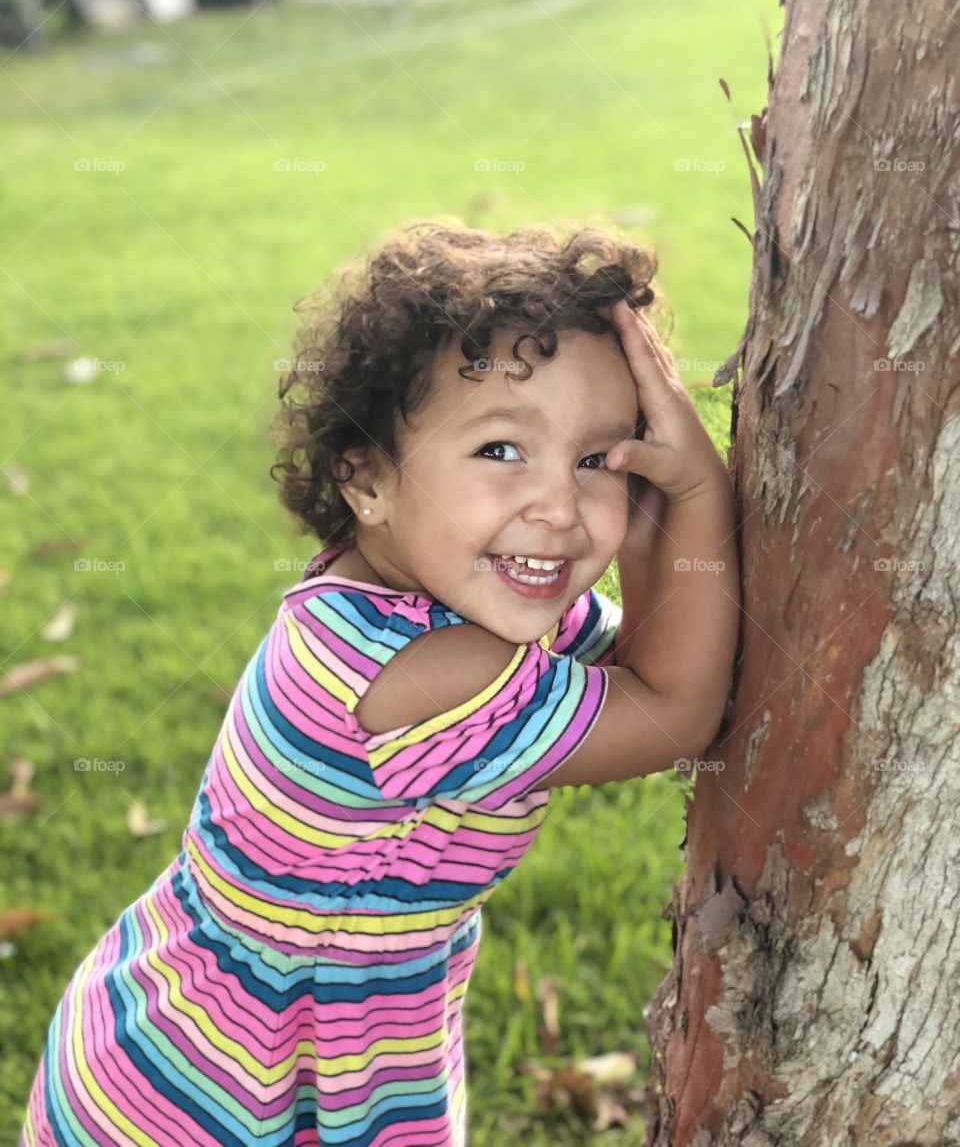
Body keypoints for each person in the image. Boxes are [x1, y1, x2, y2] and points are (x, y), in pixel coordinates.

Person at [20, 218, 739, 1147]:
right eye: (500, 451)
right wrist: (694, 496)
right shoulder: (424, 674)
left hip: (220, 1019)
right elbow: (677, 709)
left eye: (598, 458)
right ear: (366, 478)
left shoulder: (439, 597)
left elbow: (647, 662)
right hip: (219, 1092)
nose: (561, 508)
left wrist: (647, 513)